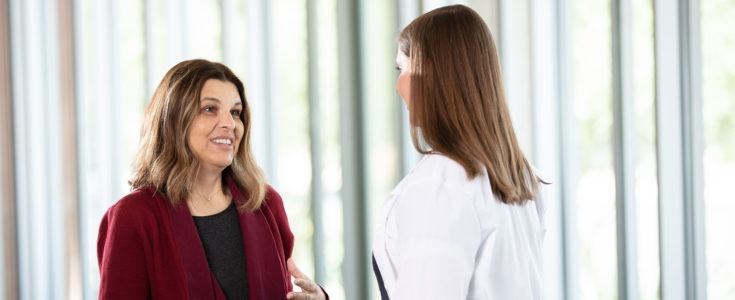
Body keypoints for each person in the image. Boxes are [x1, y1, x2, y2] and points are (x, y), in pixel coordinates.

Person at [97, 59, 326, 300]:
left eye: (235, 112)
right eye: (209, 109)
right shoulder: (133, 216)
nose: (230, 124)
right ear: (174, 119)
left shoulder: (265, 203)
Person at [372, 5, 548, 300]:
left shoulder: (440, 184)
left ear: (438, 77)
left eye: (404, 69)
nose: (398, 86)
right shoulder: (519, 179)